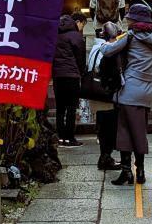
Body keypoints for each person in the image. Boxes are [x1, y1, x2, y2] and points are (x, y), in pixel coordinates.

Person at [102, 3, 152, 185]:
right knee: (139, 131)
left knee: (125, 131)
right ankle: (140, 172)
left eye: (129, 17)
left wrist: (105, 42)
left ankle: (127, 171)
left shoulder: (130, 36)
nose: (126, 19)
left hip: (130, 91)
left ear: (134, 21)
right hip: (147, 91)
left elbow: (107, 51)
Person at [86, 21, 121, 170]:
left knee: (102, 126)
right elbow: (109, 71)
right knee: (109, 127)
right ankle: (105, 157)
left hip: (95, 92)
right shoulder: (108, 50)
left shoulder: (95, 48)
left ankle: (104, 157)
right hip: (106, 93)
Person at [52, 12, 86, 147]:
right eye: (82, 24)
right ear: (77, 22)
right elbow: (80, 57)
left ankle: (60, 137)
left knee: (60, 108)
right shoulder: (76, 36)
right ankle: (70, 138)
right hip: (72, 76)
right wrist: (81, 73)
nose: (82, 27)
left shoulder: (56, 35)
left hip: (57, 75)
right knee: (71, 108)